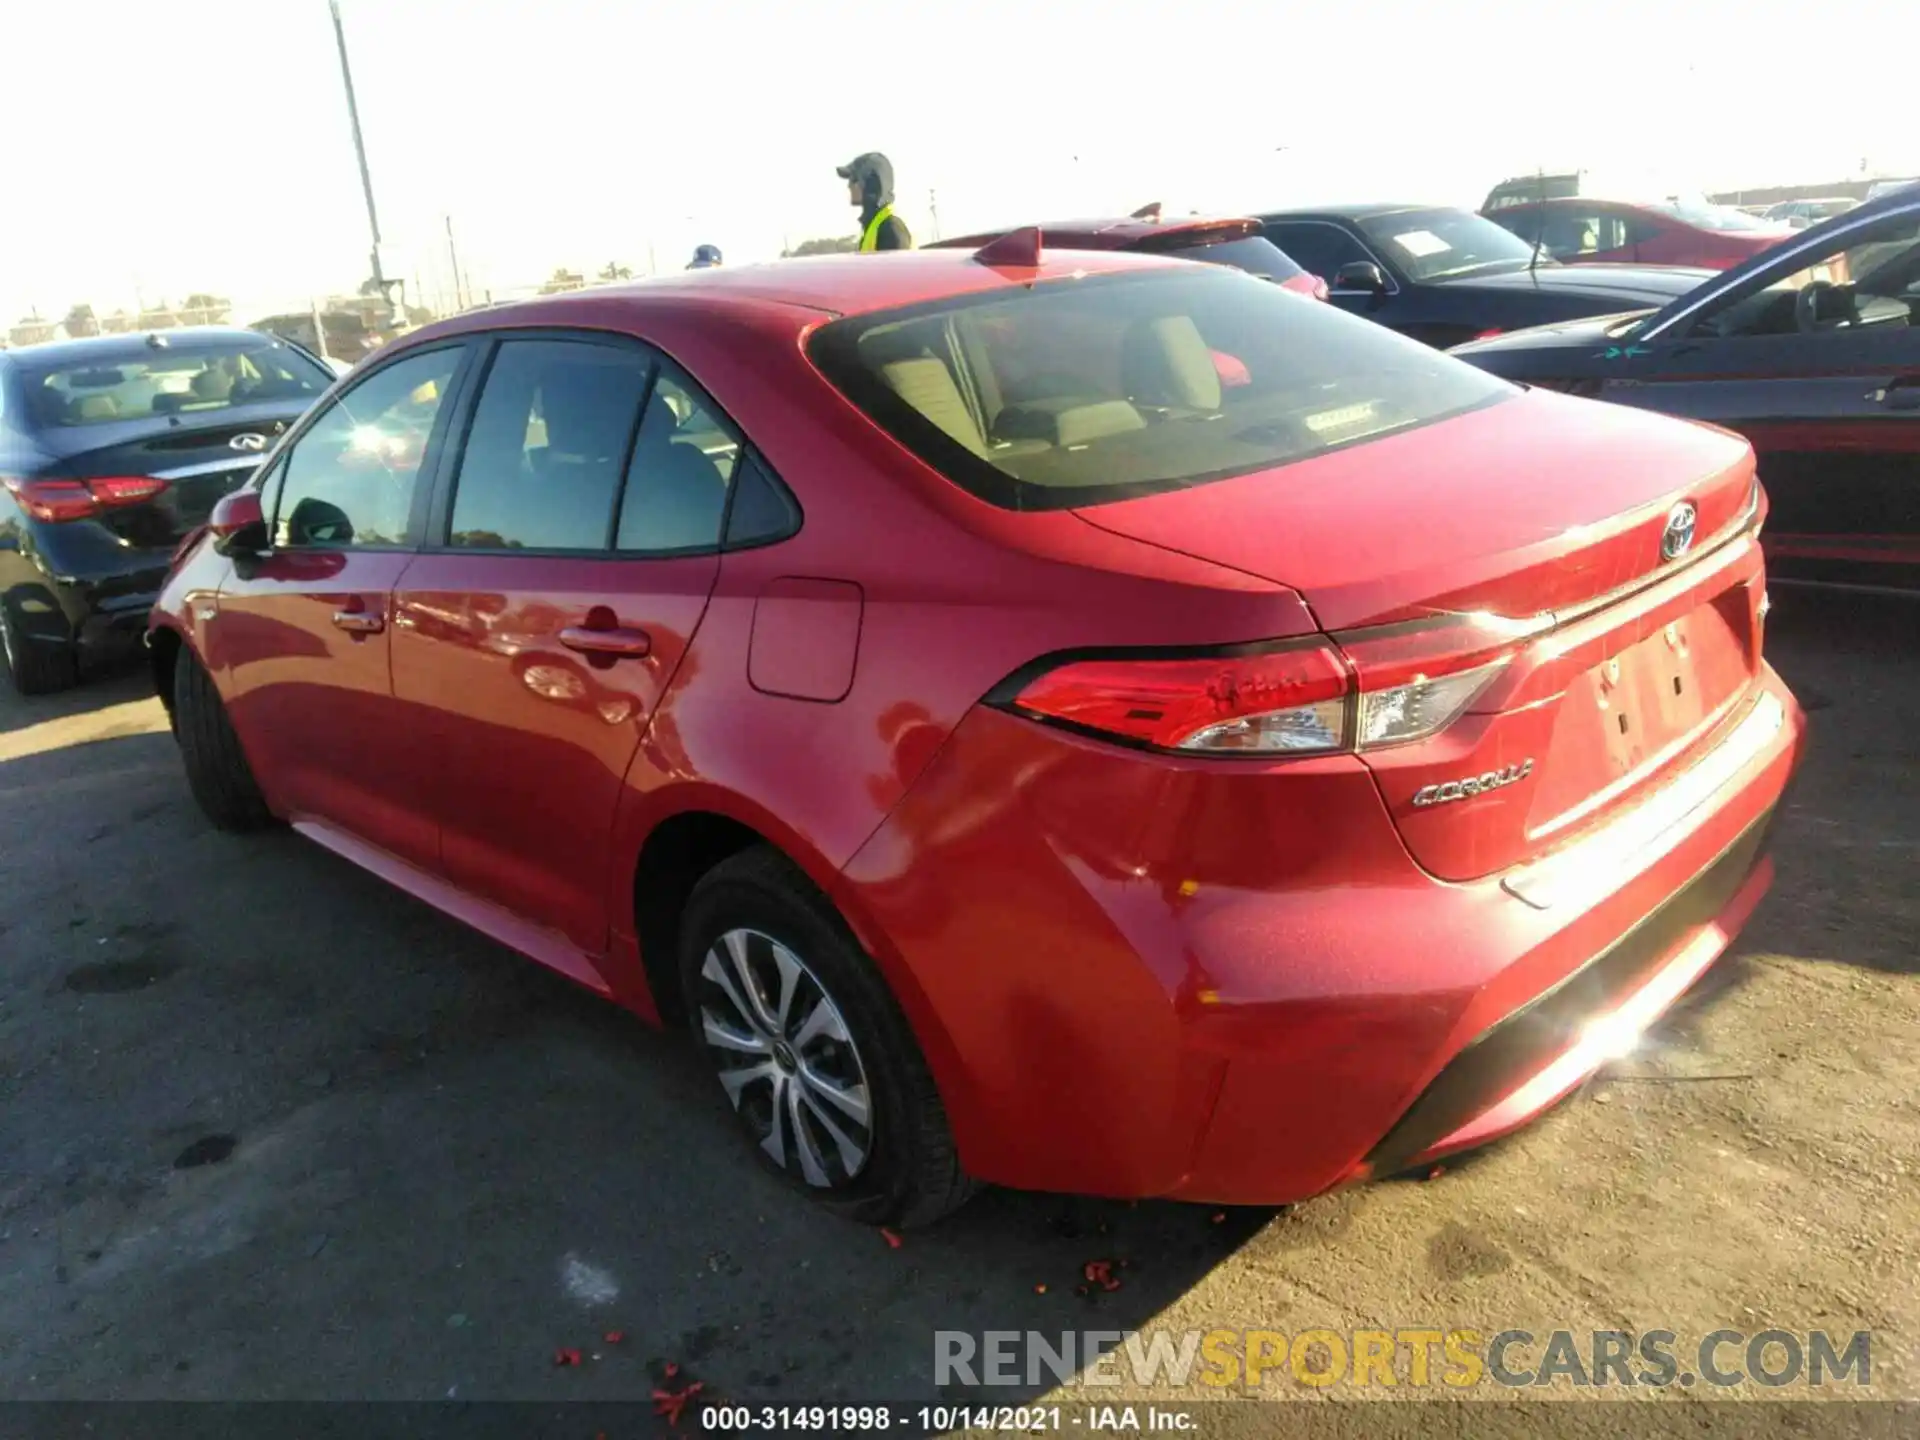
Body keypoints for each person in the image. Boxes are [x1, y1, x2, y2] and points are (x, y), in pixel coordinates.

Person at [837, 153, 913, 252]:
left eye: (854, 180)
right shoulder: (876, 225)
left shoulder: (890, 228)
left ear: (871, 184)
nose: (849, 186)